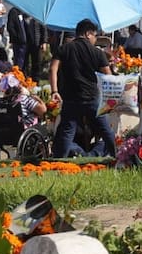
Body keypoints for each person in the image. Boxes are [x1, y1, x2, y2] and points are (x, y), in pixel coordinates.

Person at [50, 18, 118, 157]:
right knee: (105, 130)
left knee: (67, 131)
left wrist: (54, 91)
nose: (95, 39)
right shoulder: (97, 52)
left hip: (71, 97)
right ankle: (115, 156)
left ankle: (60, 160)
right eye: (95, 35)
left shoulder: (64, 48)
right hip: (92, 98)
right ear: (88, 33)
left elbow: (52, 69)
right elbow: (108, 76)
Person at [25, 15, 47, 81]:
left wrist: (44, 42)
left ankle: (36, 80)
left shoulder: (37, 16)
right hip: (25, 43)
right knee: (25, 63)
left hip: (37, 43)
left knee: (37, 63)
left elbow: (44, 28)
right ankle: (25, 79)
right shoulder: (23, 15)